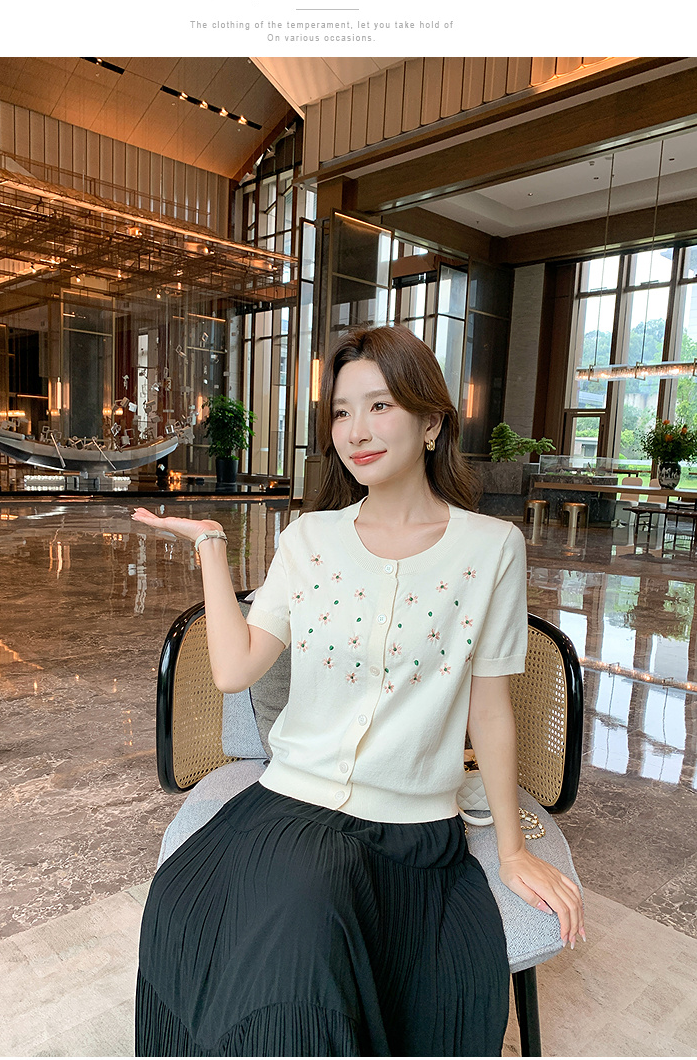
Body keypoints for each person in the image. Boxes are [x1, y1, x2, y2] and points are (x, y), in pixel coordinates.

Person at [133, 323, 584, 1057]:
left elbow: (491, 708)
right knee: (193, 912)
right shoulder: (308, 540)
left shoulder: (491, 548)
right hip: (287, 802)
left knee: (301, 924)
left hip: (407, 829)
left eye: (380, 406)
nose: (356, 430)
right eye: (342, 411)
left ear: (431, 422)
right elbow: (233, 670)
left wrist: (510, 849)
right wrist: (212, 546)